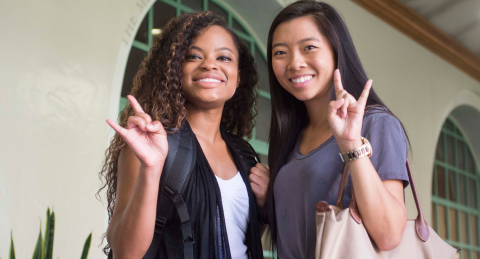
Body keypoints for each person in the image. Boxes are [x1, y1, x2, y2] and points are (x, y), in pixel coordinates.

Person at [98, 11, 269, 259]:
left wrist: (265, 206)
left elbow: (238, 237)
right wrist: (151, 168)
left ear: (238, 76)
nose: (210, 64)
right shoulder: (153, 145)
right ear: (176, 69)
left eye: (224, 57)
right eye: (194, 56)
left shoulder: (245, 156)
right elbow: (126, 253)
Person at [264, 1, 410, 258]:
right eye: (280, 52)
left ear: (336, 51)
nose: (294, 63)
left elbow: (389, 235)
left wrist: (351, 144)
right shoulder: (292, 136)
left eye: (309, 47)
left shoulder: (375, 123)